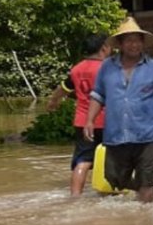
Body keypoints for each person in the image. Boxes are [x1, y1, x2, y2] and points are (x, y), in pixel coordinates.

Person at [84, 17, 153, 203]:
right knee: (114, 178)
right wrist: (90, 120)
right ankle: (140, 189)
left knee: (147, 181)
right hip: (116, 134)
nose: (133, 45)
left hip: (148, 134)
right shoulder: (107, 68)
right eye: (129, 40)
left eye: (137, 40)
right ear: (120, 43)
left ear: (142, 43)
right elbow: (98, 95)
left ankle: (145, 218)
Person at [46, 33, 110, 196]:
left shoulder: (76, 69)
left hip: (83, 122)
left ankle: (75, 196)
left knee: (82, 161)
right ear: (104, 48)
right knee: (113, 158)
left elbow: (63, 89)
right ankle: (110, 193)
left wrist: (53, 102)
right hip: (109, 121)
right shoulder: (109, 68)